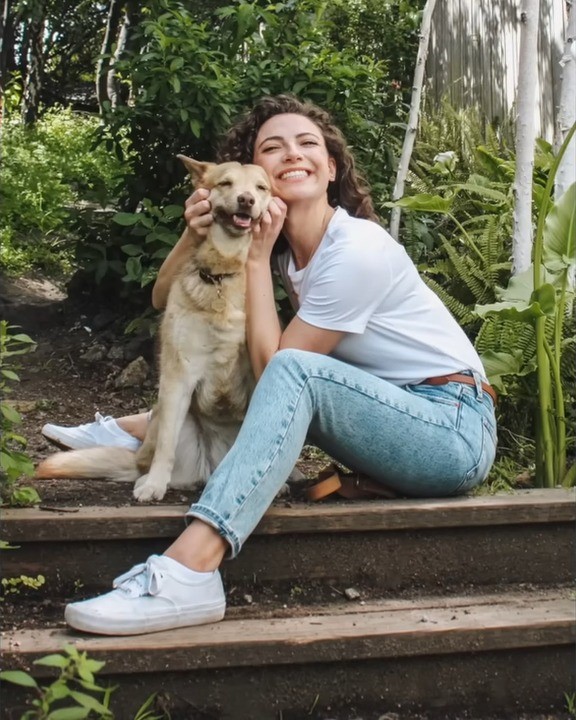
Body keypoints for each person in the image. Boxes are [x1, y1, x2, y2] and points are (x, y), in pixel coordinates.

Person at [59, 94, 497, 636]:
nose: (293, 153)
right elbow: (162, 297)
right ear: (252, 174)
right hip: (390, 419)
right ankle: (128, 431)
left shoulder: (355, 249)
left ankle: (189, 571)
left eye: (308, 143)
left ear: (331, 167)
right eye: (273, 147)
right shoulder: (289, 253)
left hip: (450, 428)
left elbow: (278, 372)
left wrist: (259, 260)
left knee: (288, 369)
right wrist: (194, 232)